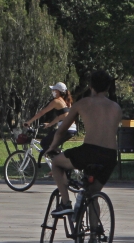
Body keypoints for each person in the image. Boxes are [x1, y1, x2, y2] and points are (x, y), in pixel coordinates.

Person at [45, 70, 122, 221]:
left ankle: (66, 203)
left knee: (56, 163)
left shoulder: (83, 103)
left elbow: (61, 131)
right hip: (110, 156)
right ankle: (94, 238)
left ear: (90, 86)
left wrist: (52, 147)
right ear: (107, 88)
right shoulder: (116, 108)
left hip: (90, 151)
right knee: (93, 194)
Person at [24, 82, 77, 162]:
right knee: (52, 147)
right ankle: (60, 164)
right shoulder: (66, 101)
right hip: (71, 129)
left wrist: (29, 122)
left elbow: (42, 112)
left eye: (53, 89)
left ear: (58, 91)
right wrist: (49, 124)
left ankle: (59, 165)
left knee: (44, 143)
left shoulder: (56, 101)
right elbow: (60, 117)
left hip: (65, 129)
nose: (52, 91)